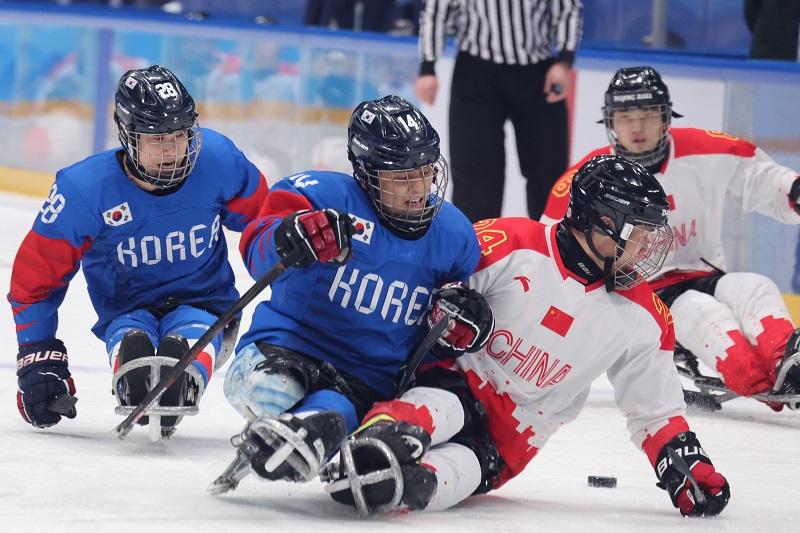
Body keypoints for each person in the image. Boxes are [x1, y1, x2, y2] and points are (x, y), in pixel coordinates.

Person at [324, 155, 730, 517]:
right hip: (454, 382)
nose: (646, 250)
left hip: (510, 442)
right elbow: (422, 291)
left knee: (440, 482)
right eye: (638, 233)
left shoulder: (646, 316)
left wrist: (686, 465)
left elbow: (654, 410)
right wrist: (446, 310)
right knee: (434, 406)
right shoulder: (510, 243)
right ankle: (369, 442)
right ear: (602, 222)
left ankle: (393, 487)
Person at [216, 95, 494, 487]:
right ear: (366, 174)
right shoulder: (322, 197)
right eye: (401, 177)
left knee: (334, 416)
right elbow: (255, 249)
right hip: (289, 347)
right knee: (269, 391)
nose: (418, 188)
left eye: (425, 171)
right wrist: (289, 236)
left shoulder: (456, 237)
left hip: (367, 379)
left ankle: (319, 428)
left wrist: (455, 332)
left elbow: (432, 341)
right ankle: (309, 425)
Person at [10, 65, 269, 437]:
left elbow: (266, 225)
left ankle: (188, 361)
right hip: (127, 311)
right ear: (127, 134)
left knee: (182, 357)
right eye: (155, 138)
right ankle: (129, 354)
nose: (171, 150)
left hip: (207, 306)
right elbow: (36, 280)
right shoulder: (84, 190)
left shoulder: (218, 159)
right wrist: (37, 354)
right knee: (134, 350)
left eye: (179, 135)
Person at [540, 66, 800, 409]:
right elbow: (550, 251)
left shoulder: (705, 149)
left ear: (665, 118)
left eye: (647, 115)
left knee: (755, 286)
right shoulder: (588, 178)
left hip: (705, 274)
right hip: (642, 296)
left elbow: (761, 178)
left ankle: (790, 366)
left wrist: (794, 190)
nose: (636, 127)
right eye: (625, 117)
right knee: (700, 312)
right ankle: (759, 382)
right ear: (610, 122)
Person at [415, 0, 582, 221]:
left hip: (537, 72)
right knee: (475, 175)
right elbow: (438, 8)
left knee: (548, 174)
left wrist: (564, 60)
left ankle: (552, 247)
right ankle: (477, 250)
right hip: (476, 72)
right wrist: (428, 65)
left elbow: (567, 7)